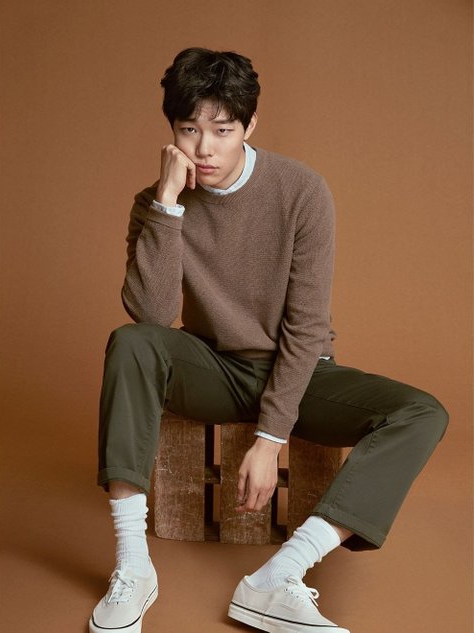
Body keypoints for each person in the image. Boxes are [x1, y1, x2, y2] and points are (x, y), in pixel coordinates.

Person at [89, 48, 449, 633]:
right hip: (213, 368)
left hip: (301, 372)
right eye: (189, 129)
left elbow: (305, 327)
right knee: (131, 342)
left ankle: (279, 575)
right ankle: (133, 564)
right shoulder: (155, 204)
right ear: (172, 130)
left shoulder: (301, 190)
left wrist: (269, 437)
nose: (204, 149)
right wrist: (167, 205)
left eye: (222, 130)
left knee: (422, 412)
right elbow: (152, 316)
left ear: (249, 126)